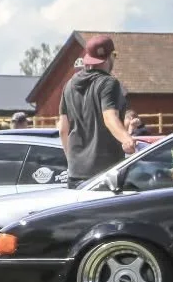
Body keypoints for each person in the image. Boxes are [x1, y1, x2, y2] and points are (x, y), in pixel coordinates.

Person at [57, 35, 135, 188]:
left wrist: (72, 163)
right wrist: (126, 138)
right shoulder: (108, 83)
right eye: (114, 55)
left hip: (75, 175)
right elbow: (109, 117)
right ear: (109, 57)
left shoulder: (69, 85)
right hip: (105, 174)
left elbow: (63, 129)